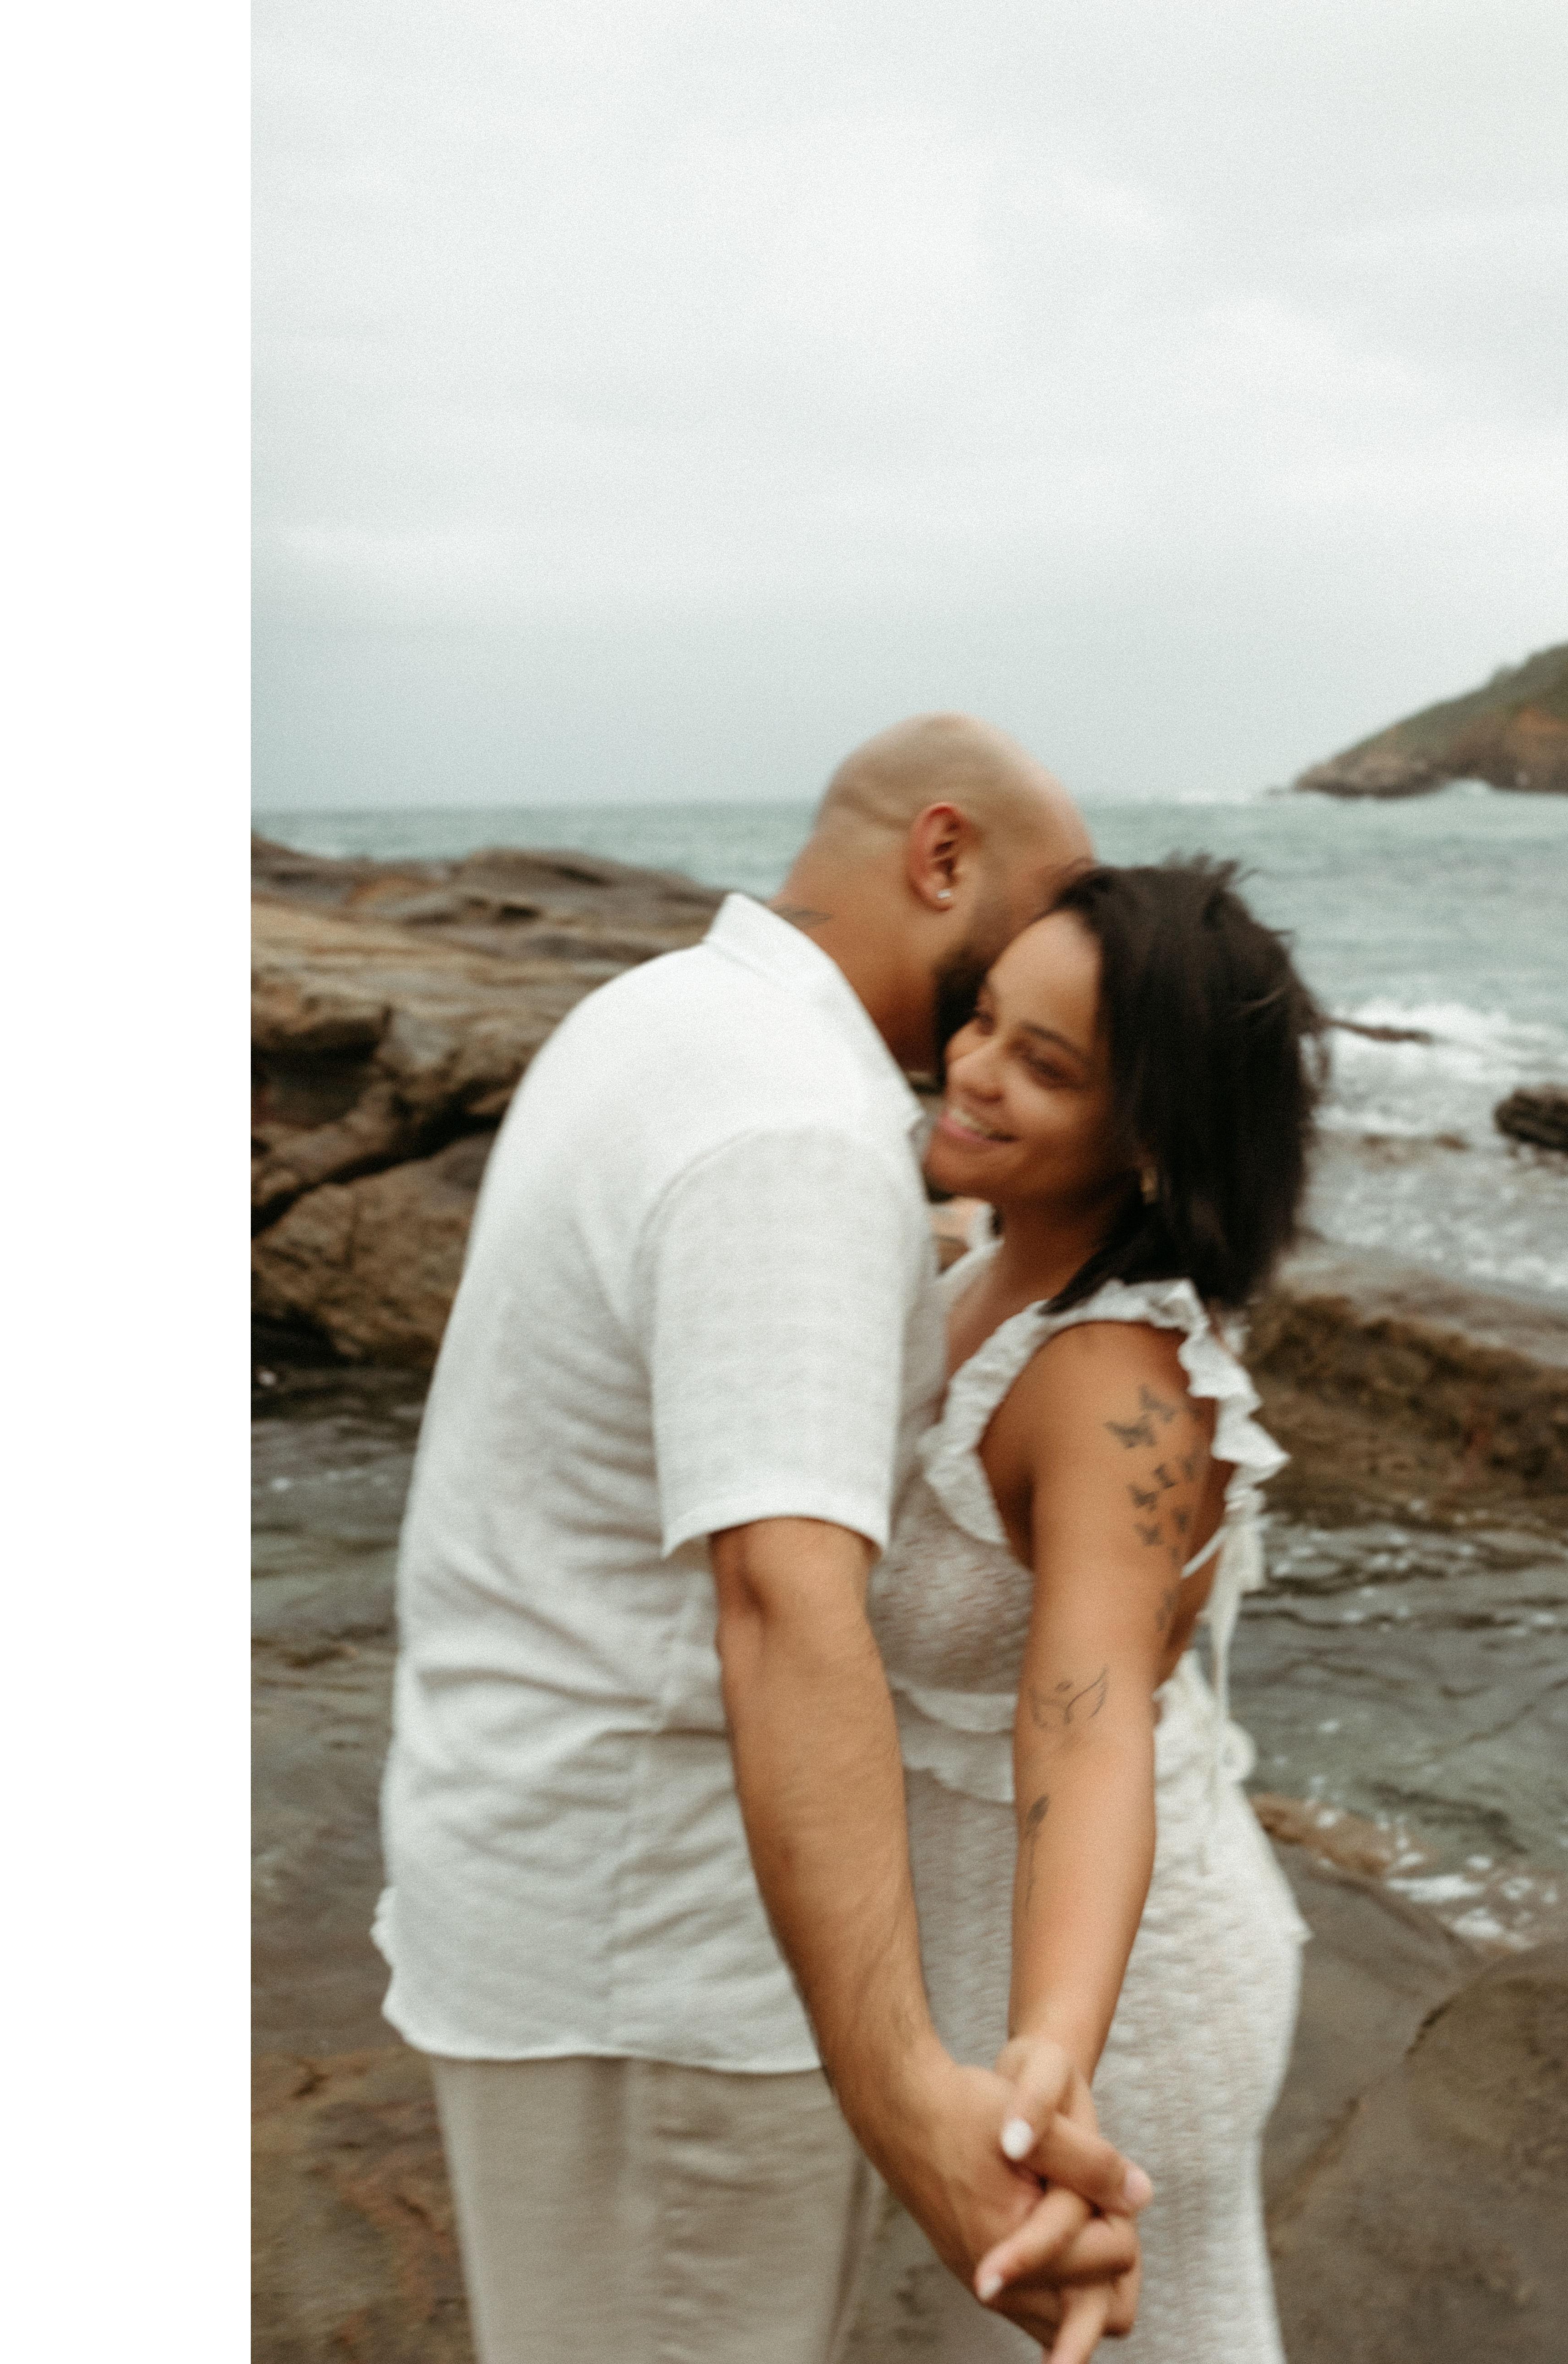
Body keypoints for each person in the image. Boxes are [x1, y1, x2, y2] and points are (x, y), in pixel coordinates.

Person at [373, 715, 1149, 2364]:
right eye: (1058, 900)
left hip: (556, 1890)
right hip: (659, 1968)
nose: (1078, 952)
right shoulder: (795, 1129)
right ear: (943, 855)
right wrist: (910, 2098)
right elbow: (785, 1604)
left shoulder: (662, 1015)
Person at [865, 858, 1326, 2361]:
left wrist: (1057, 2040)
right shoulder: (988, 1265)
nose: (973, 1069)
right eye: (982, 1018)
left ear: (1149, 1138)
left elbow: (1085, 1715)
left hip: (1115, 2005)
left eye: (1044, 1065)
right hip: (985, 1976)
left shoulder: (1111, 1380)